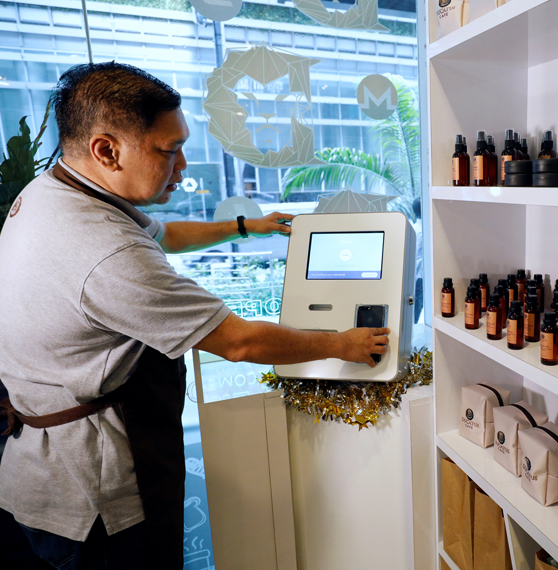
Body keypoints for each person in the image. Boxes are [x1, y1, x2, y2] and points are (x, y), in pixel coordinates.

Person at [0, 62, 389, 569]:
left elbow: (163, 235)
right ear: (106, 149)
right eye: (168, 150)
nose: (183, 164)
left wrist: (249, 225)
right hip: (90, 497)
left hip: (34, 474)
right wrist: (344, 344)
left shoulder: (53, 194)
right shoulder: (105, 252)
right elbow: (240, 343)